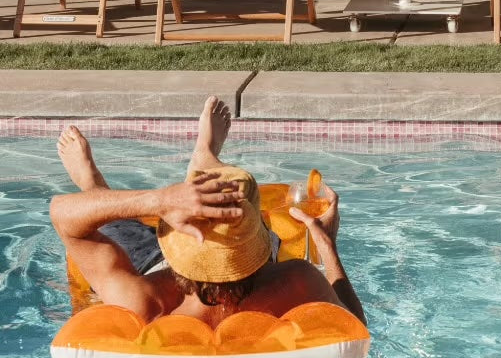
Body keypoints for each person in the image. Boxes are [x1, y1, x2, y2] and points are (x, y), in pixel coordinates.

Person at [49, 96, 366, 327]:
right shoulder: (296, 280)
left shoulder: (143, 301)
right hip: (243, 268)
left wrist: (159, 201)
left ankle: (92, 183)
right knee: (232, 208)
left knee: (113, 224)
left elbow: (63, 215)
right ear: (261, 246)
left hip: (150, 264)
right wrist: (326, 243)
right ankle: (205, 154)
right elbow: (356, 330)